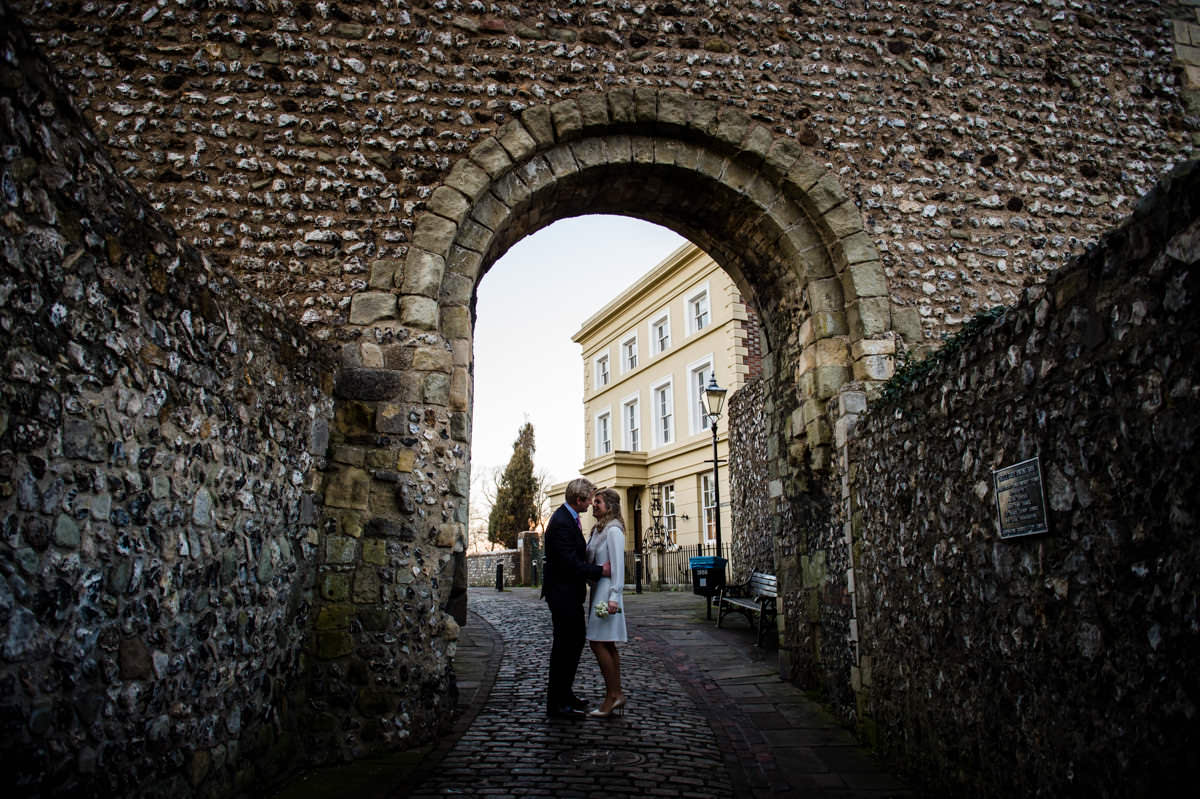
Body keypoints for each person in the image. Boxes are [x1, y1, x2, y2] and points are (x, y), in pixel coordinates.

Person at [541, 477, 610, 718]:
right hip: (562, 593)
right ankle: (557, 704)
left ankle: (565, 694)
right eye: (589, 498)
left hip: (568, 592)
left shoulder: (569, 517)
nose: (592, 503)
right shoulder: (561, 522)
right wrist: (599, 571)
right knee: (564, 647)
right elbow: (569, 562)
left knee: (573, 644)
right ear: (579, 500)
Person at [584, 487, 628, 718]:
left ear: (609, 506)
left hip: (607, 593)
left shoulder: (613, 531)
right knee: (606, 644)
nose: (594, 505)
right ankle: (615, 694)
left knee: (597, 642)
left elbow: (618, 568)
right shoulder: (598, 529)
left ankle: (612, 695)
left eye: (598, 502)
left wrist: (614, 597)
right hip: (598, 589)